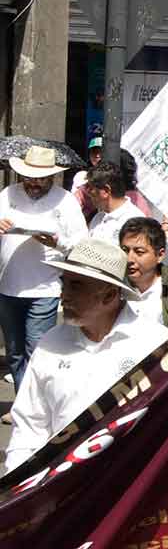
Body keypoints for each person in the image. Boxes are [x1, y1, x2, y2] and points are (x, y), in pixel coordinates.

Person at [5, 238, 168, 472]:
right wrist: (16, 487)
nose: (63, 295)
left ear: (108, 295)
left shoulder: (153, 343)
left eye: (76, 286)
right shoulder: (50, 343)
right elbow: (29, 425)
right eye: (64, 284)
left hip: (130, 482)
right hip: (61, 487)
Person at [0, 146, 89, 389]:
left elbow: (82, 244)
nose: (34, 183)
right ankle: (23, 404)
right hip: (8, 287)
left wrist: (58, 242)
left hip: (45, 288)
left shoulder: (66, 201)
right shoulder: (7, 194)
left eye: (40, 178)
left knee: (36, 350)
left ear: (52, 176)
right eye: (29, 177)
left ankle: (36, 407)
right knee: (15, 352)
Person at [84, 161, 146, 243]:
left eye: (90, 188)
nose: (87, 192)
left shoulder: (136, 222)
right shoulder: (98, 217)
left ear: (106, 191)